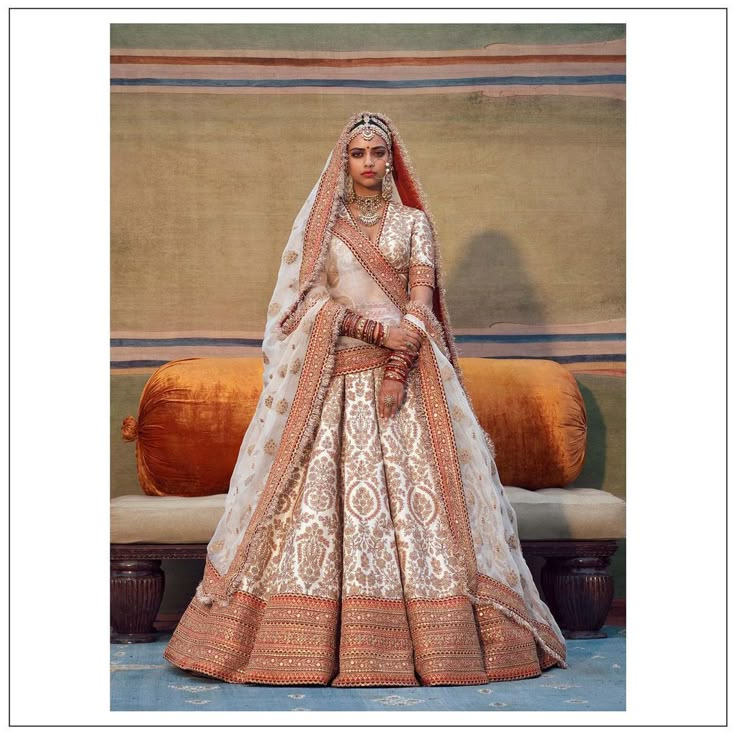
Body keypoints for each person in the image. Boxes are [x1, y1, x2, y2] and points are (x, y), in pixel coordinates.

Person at [163, 111, 568, 687]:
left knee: (435, 509)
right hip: (337, 381)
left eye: (379, 153)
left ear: (392, 159)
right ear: (343, 160)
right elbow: (300, 311)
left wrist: (399, 366)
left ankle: (444, 645)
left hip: (410, 382)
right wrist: (376, 333)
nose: (370, 163)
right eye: (359, 153)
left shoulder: (414, 225)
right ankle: (298, 646)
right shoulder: (323, 231)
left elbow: (421, 305)